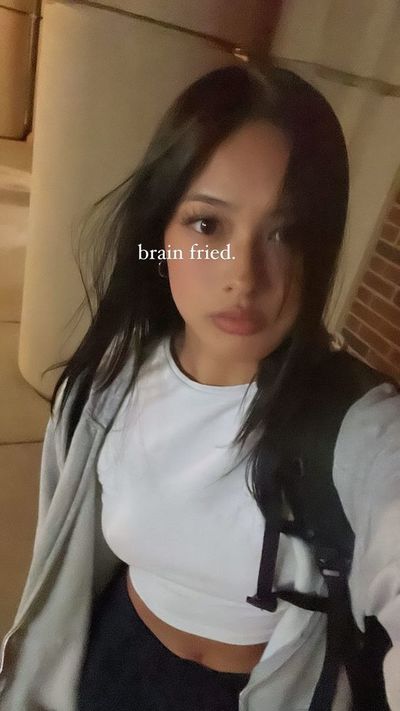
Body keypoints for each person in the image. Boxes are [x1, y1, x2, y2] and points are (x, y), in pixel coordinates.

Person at [0, 62, 399, 711]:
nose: (243, 274)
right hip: (111, 658)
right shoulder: (106, 385)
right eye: (208, 226)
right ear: (159, 236)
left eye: (285, 232)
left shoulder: (354, 425)